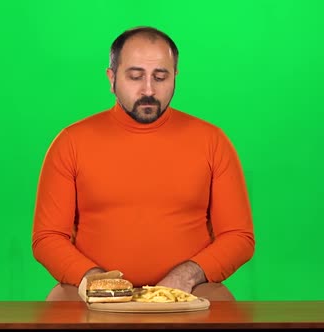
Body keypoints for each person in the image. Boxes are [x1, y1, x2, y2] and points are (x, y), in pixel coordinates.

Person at [31, 26, 254, 301]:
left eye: (160, 77)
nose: (149, 90)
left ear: (175, 77)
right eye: (135, 76)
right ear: (111, 78)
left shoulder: (213, 141)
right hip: (91, 288)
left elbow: (238, 236)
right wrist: (97, 281)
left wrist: (185, 276)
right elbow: (48, 238)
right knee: (59, 307)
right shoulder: (70, 142)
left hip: (190, 288)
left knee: (223, 308)